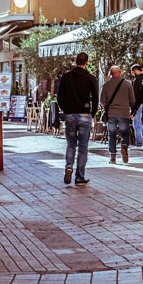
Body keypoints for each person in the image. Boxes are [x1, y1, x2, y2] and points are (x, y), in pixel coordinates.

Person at [55, 52, 97, 186]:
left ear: (76, 61)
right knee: (83, 147)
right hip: (84, 114)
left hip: (70, 114)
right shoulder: (90, 78)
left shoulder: (66, 77)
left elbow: (59, 96)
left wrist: (66, 109)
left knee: (71, 144)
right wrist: (93, 112)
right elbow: (95, 97)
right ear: (86, 62)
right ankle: (79, 176)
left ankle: (68, 167)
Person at [100, 66, 136, 164]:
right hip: (124, 113)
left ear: (111, 74)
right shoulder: (127, 84)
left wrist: (106, 107)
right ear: (120, 72)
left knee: (111, 134)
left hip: (111, 113)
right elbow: (132, 100)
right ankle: (124, 145)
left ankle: (113, 157)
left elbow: (102, 100)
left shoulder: (106, 85)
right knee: (125, 132)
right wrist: (133, 111)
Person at [130, 64, 143, 148]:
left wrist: (133, 108)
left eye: (133, 72)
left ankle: (139, 143)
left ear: (135, 70)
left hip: (139, 104)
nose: (133, 74)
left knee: (137, 124)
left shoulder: (137, 80)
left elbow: (134, 94)